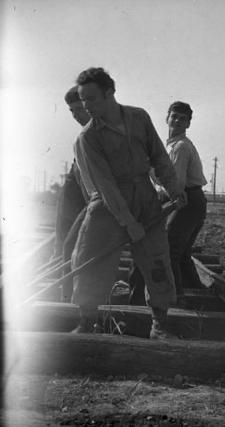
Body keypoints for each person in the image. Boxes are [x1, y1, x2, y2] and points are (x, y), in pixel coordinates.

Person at [71, 67, 185, 339]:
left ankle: (160, 324)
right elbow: (106, 185)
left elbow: (159, 156)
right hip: (108, 206)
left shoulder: (139, 117)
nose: (86, 105)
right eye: (82, 100)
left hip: (145, 197)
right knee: (89, 259)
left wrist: (174, 189)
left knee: (157, 259)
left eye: (91, 98)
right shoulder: (87, 137)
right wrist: (129, 223)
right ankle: (88, 323)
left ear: (110, 92)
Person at [129, 101, 207, 304]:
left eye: (183, 119)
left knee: (170, 248)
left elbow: (177, 184)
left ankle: (177, 297)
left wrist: (155, 187)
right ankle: (196, 291)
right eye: (175, 117)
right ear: (167, 119)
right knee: (182, 252)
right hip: (188, 200)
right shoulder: (169, 145)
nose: (178, 121)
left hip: (187, 199)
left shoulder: (181, 147)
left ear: (188, 124)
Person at [53, 86, 91, 301]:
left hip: (89, 204)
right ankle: (68, 299)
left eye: (79, 108)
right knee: (66, 249)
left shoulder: (96, 134)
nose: (76, 115)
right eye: (72, 111)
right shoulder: (83, 137)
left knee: (72, 251)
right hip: (74, 202)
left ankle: (71, 302)